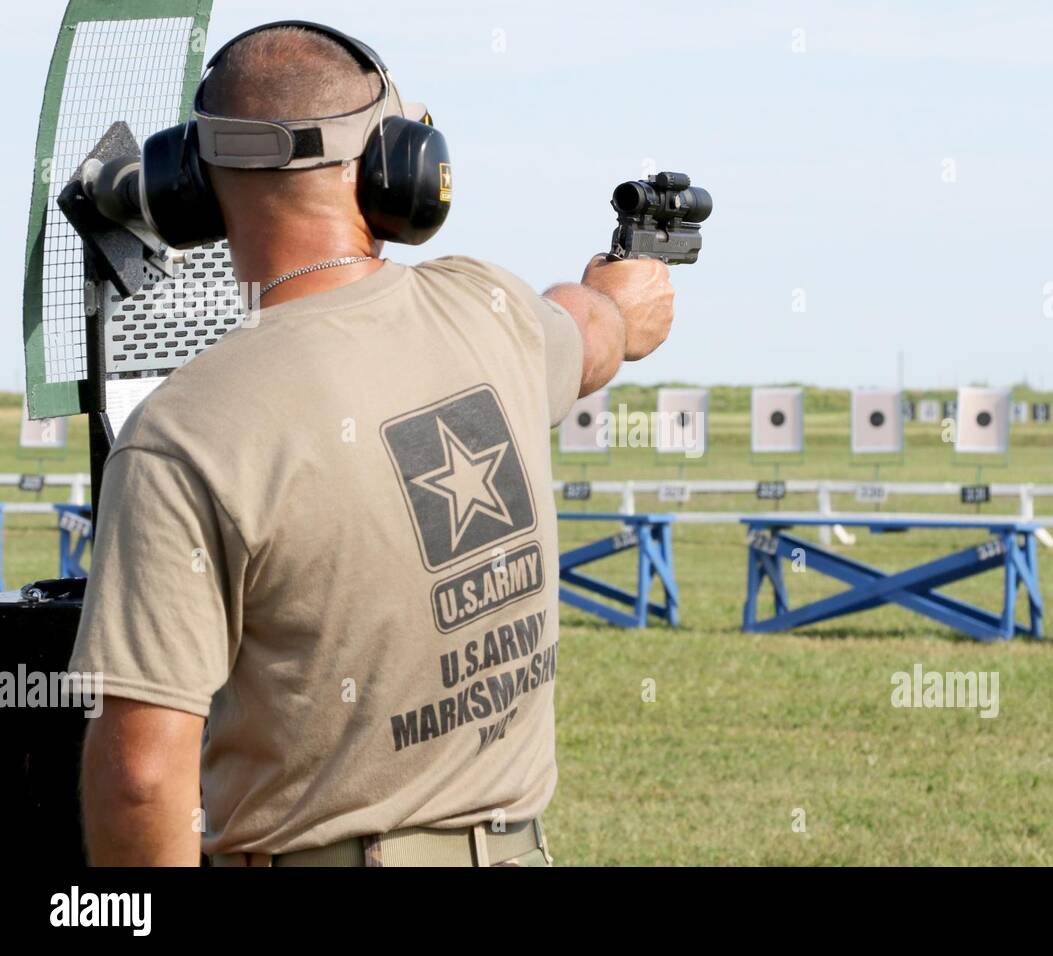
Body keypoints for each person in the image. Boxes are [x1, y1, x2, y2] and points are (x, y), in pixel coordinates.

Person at [68, 22, 675, 866]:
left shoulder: (184, 432)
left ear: (196, 186)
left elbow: (141, 773)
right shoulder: (491, 312)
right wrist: (624, 283)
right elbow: (601, 329)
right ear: (398, 167)